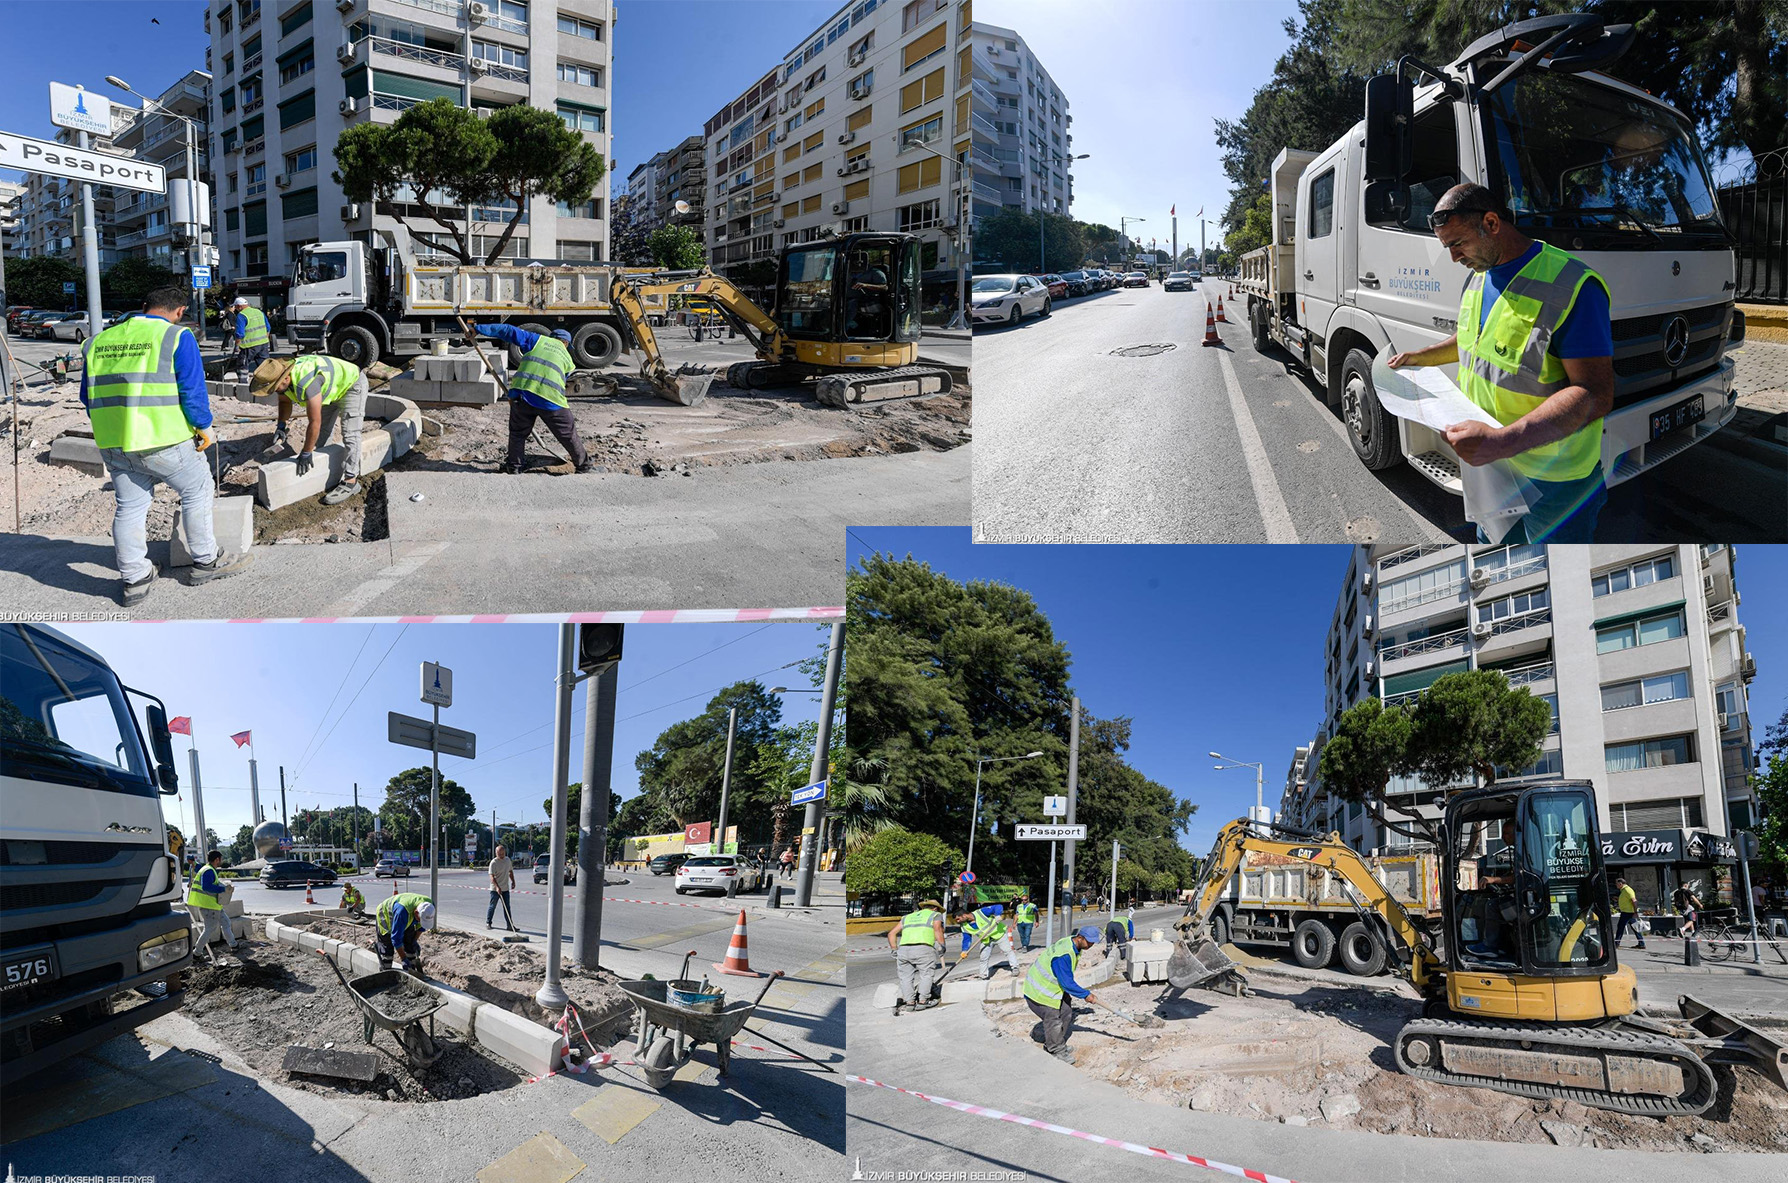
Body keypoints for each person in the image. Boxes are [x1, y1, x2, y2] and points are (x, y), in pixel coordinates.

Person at [1387, 182, 1614, 543]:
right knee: (1493, 559)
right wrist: (1420, 357)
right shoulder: (1477, 279)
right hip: (1494, 472)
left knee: (1548, 571)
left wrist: (1502, 441)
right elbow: (1471, 342)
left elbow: (1594, 394)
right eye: (1447, 248)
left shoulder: (1573, 285)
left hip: (1554, 481)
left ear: (1492, 224)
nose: (1454, 258)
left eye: (1458, 244)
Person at [82, 285, 253, 605]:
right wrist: (204, 428)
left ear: (144, 305)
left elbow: (87, 398)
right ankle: (206, 560)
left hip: (113, 443)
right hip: (163, 440)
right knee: (198, 489)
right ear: (178, 312)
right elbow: (192, 390)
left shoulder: (96, 342)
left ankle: (135, 578)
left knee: (130, 507)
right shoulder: (176, 337)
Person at [470, 323, 597, 474]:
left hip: (522, 395)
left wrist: (478, 329)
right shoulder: (569, 361)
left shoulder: (537, 340)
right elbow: (560, 383)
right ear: (566, 344)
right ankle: (584, 466)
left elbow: (508, 330)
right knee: (568, 434)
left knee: (518, 433)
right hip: (550, 400)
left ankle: (514, 467)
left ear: (551, 338)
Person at [253, 353, 369, 506]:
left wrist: (306, 452)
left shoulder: (306, 383)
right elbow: (285, 402)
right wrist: (281, 425)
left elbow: (314, 422)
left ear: (286, 378)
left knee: (350, 433)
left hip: (351, 385)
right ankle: (326, 465)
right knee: (322, 434)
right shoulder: (284, 379)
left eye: (275, 387)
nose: (274, 391)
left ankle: (351, 481)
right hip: (331, 387)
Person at [1022, 925, 1102, 1064]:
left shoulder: (1073, 944)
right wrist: (1086, 995)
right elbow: (1067, 983)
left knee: (1066, 1012)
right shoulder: (1064, 955)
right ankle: (1055, 1049)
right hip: (1039, 992)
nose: (1091, 945)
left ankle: (1055, 1042)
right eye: (1089, 941)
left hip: (1052, 988)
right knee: (1053, 1019)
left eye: (1093, 942)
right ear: (1079, 937)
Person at [888, 898, 946, 1013]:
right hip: (923, 949)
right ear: (935, 908)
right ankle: (923, 1001)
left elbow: (891, 933)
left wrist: (895, 949)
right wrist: (942, 946)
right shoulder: (935, 915)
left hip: (904, 950)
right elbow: (937, 930)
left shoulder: (907, 917)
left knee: (905, 978)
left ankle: (910, 1003)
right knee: (926, 975)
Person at [186, 849, 237, 958]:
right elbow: (207, 887)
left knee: (226, 922)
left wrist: (224, 886)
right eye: (220, 859)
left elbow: (214, 883)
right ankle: (197, 952)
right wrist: (223, 890)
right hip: (209, 906)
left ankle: (233, 945)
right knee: (210, 928)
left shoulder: (208, 869)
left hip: (215, 905)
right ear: (217, 859)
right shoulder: (208, 870)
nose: (221, 861)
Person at [376, 891, 436, 971]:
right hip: (385, 916)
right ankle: (386, 971)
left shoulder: (430, 907)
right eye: (420, 920)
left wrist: (414, 941)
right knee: (387, 951)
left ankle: (411, 969)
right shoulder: (402, 912)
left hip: (407, 917)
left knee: (410, 944)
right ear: (416, 913)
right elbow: (396, 939)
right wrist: (403, 959)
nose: (420, 922)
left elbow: (421, 927)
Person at [958, 904, 1017, 980]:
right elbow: (966, 939)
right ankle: (983, 975)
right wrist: (964, 950)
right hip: (986, 940)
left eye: (958, 919)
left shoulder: (981, 912)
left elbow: (998, 906)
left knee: (1008, 951)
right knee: (983, 958)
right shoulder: (964, 926)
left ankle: (1015, 967)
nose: (957, 921)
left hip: (999, 934)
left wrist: (997, 915)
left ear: (964, 915)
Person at [845, 259, 891, 338]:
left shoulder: (875, 273)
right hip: (843, 298)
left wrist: (866, 285)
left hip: (865, 299)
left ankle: (846, 329)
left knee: (852, 304)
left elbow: (884, 287)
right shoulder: (847, 272)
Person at [231, 297, 272, 378]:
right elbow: (268, 328)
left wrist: (237, 346)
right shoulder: (259, 312)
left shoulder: (242, 315)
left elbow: (240, 334)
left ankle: (242, 385)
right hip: (263, 344)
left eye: (235, 307)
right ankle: (267, 381)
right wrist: (265, 339)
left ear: (239, 306)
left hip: (249, 346)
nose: (235, 309)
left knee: (242, 365)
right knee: (264, 365)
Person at [487, 844, 515, 931]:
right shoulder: (493, 863)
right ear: (496, 853)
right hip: (495, 890)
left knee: (507, 907)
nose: (501, 856)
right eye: (499, 854)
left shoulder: (507, 860)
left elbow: (510, 871)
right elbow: (492, 877)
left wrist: (513, 881)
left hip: (505, 889)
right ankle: (488, 922)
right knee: (492, 906)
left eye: (503, 854)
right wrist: (497, 887)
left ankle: (510, 925)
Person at [1613, 876, 1646, 949]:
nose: (1616, 885)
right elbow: (1627, 900)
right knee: (1635, 928)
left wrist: (1635, 912)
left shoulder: (1628, 890)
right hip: (1628, 912)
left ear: (1620, 883)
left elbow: (1634, 901)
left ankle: (1616, 943)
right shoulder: (1623, 890)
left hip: (1627, 913)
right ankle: (1641, 943)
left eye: (1617, 883)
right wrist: (1618, 899)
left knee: (1620, 927)